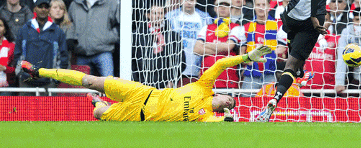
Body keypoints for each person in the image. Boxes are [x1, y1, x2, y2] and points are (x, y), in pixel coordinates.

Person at [20, 45, 272, 121]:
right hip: (144, 92)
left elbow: (222, 124)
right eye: (229, 98)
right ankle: (39, 70)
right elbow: (219, 65)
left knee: (100, 112)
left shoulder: (205, 116)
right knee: (91, 80)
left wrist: (231, 118)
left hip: (138, 115)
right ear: (220, 94)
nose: (228, 102)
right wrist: (247, 57)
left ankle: (97, 103)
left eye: (230, 104)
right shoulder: (204, 87)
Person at [252, 0, 332, 122]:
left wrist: (311, 15)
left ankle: (278, 94)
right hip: (316, 20)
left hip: (298, 16)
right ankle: (295, 75)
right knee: (294, 63)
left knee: (290, 61)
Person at [67, 0, 120, 77]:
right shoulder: (75, 3)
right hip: (81, 53)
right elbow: (69, 24)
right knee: (81, 90)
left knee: (109, 86)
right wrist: (72, 40)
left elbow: (119, 25)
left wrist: (108, 37)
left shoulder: (111, 3)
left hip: (104, 52)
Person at [14, 0, 69, 92]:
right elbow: (17, 54)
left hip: (49, 83)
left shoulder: (58, 31)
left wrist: (56, 78)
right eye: (40, 7)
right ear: (35, 9)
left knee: (49, 107)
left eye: (46, 7)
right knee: (25, 107)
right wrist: (21, 74)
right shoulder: (24, 29)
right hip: (26, 81)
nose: (43, 9)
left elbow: (63, 56)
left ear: (49, 10)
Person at [133, 4, 184, 89]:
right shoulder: (137, 35)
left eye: (160, 13)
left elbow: (181, 61)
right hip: (142, 85)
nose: (158, 16)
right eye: (155, 13)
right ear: (148, 15)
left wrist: (172, 81)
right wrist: (136, 82)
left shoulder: (173, 36)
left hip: (166, 85)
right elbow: (133, 61)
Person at [194, 0, 241, 89]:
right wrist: (221, 48)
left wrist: (206, 45)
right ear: (215, 8)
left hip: (227, 78)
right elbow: (196, 50)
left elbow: (228, 47)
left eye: (226, 5)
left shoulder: (236, 27)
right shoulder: (207, 27)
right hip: (207, 78)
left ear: (231, 9)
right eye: (219, 5)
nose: (223, 7)